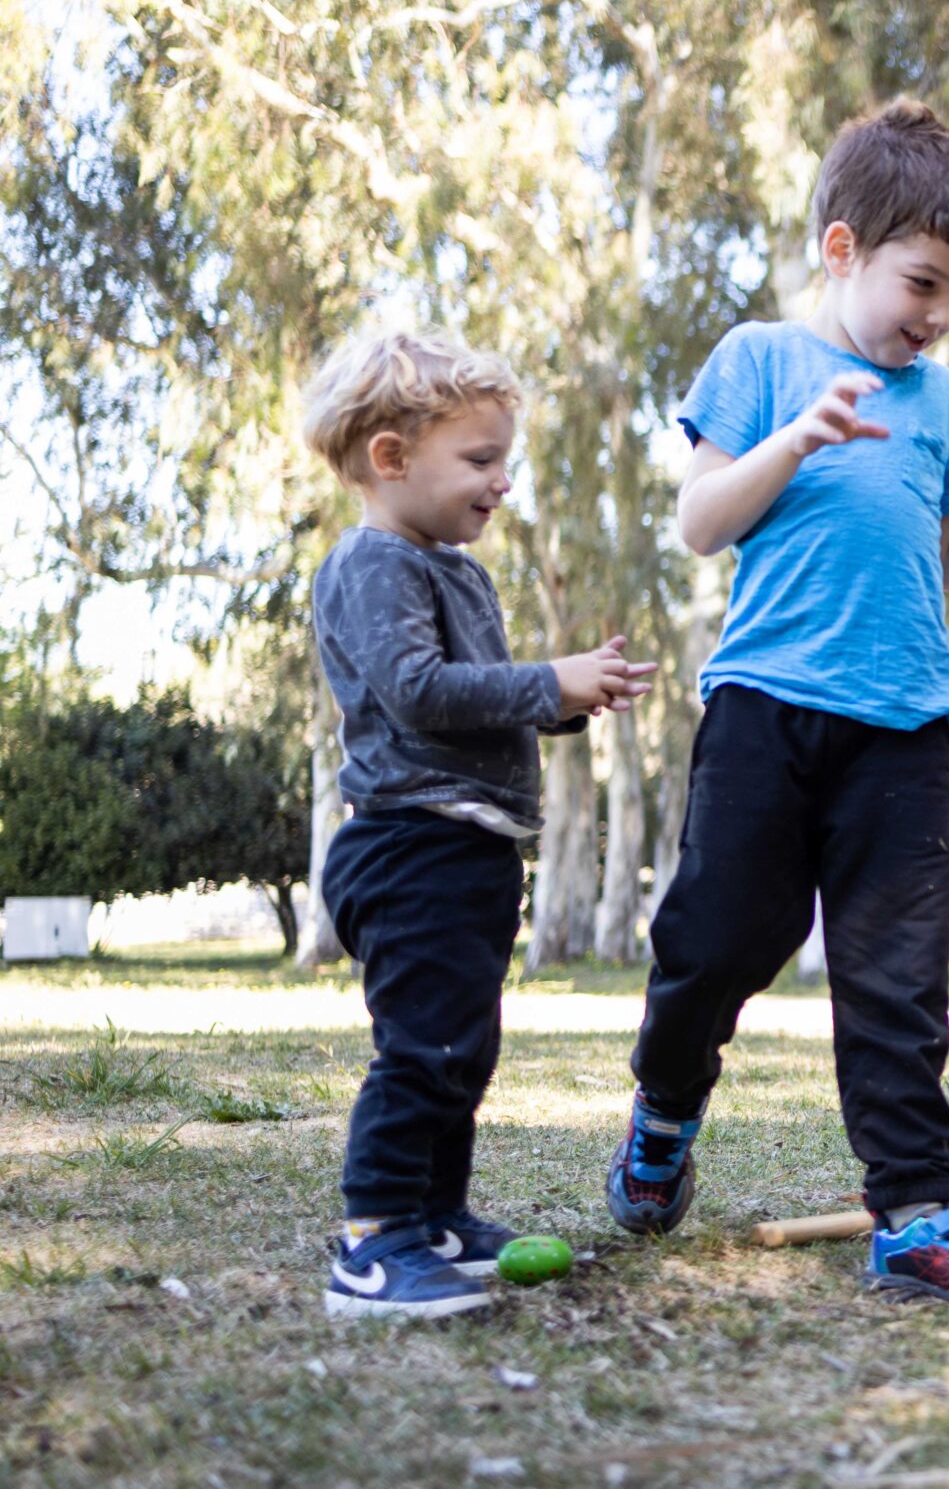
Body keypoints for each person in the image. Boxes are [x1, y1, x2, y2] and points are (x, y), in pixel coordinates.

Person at [608, 101, 949, 1307]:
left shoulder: (943, 402)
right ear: (843, 249)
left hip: (905, 728)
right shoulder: (759, 360)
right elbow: (700, 524)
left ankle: (913, 1215)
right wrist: (797, 441)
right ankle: (664, 1112)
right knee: (715, 944)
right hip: (766, 710)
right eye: (923, 283)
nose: (940, 314)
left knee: (898, 982)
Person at [303, 330, 657, 1319]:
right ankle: (373, 1241)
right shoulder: (374, 563)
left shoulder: (454, 569)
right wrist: (547, 681)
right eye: (480, 459)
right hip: (408, 846)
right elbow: (418, 692)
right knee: (424, 1047)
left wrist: (565, 702)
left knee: (462, 1046)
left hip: (466, 849)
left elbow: (473, 699)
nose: (503, 481)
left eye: (506, 459)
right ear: (391, 457)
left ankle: (436, 1217)